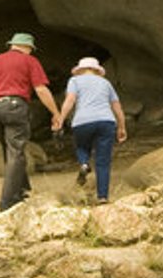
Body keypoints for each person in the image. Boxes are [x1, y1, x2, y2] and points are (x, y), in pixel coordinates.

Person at [0, 31, 61, 211]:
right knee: (16, 153)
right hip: (14, 107)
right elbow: (41, 90)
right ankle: (8, 203)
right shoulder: (29, 61)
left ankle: (23, 190)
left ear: (12, 45)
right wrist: (55, 113)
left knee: (10, 151)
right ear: (27, 47)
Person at [53, 55, 127, 204]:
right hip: (106, 121)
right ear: (96, 70)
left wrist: (60, 118)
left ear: (80, 70)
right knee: (103, 161)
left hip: (82, 121)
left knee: (81, 146)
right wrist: (122, 127)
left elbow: (70, 100)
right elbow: (116, 106)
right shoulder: (106, 83)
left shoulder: (74, 81)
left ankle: (84, 163)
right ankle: (102, 197)